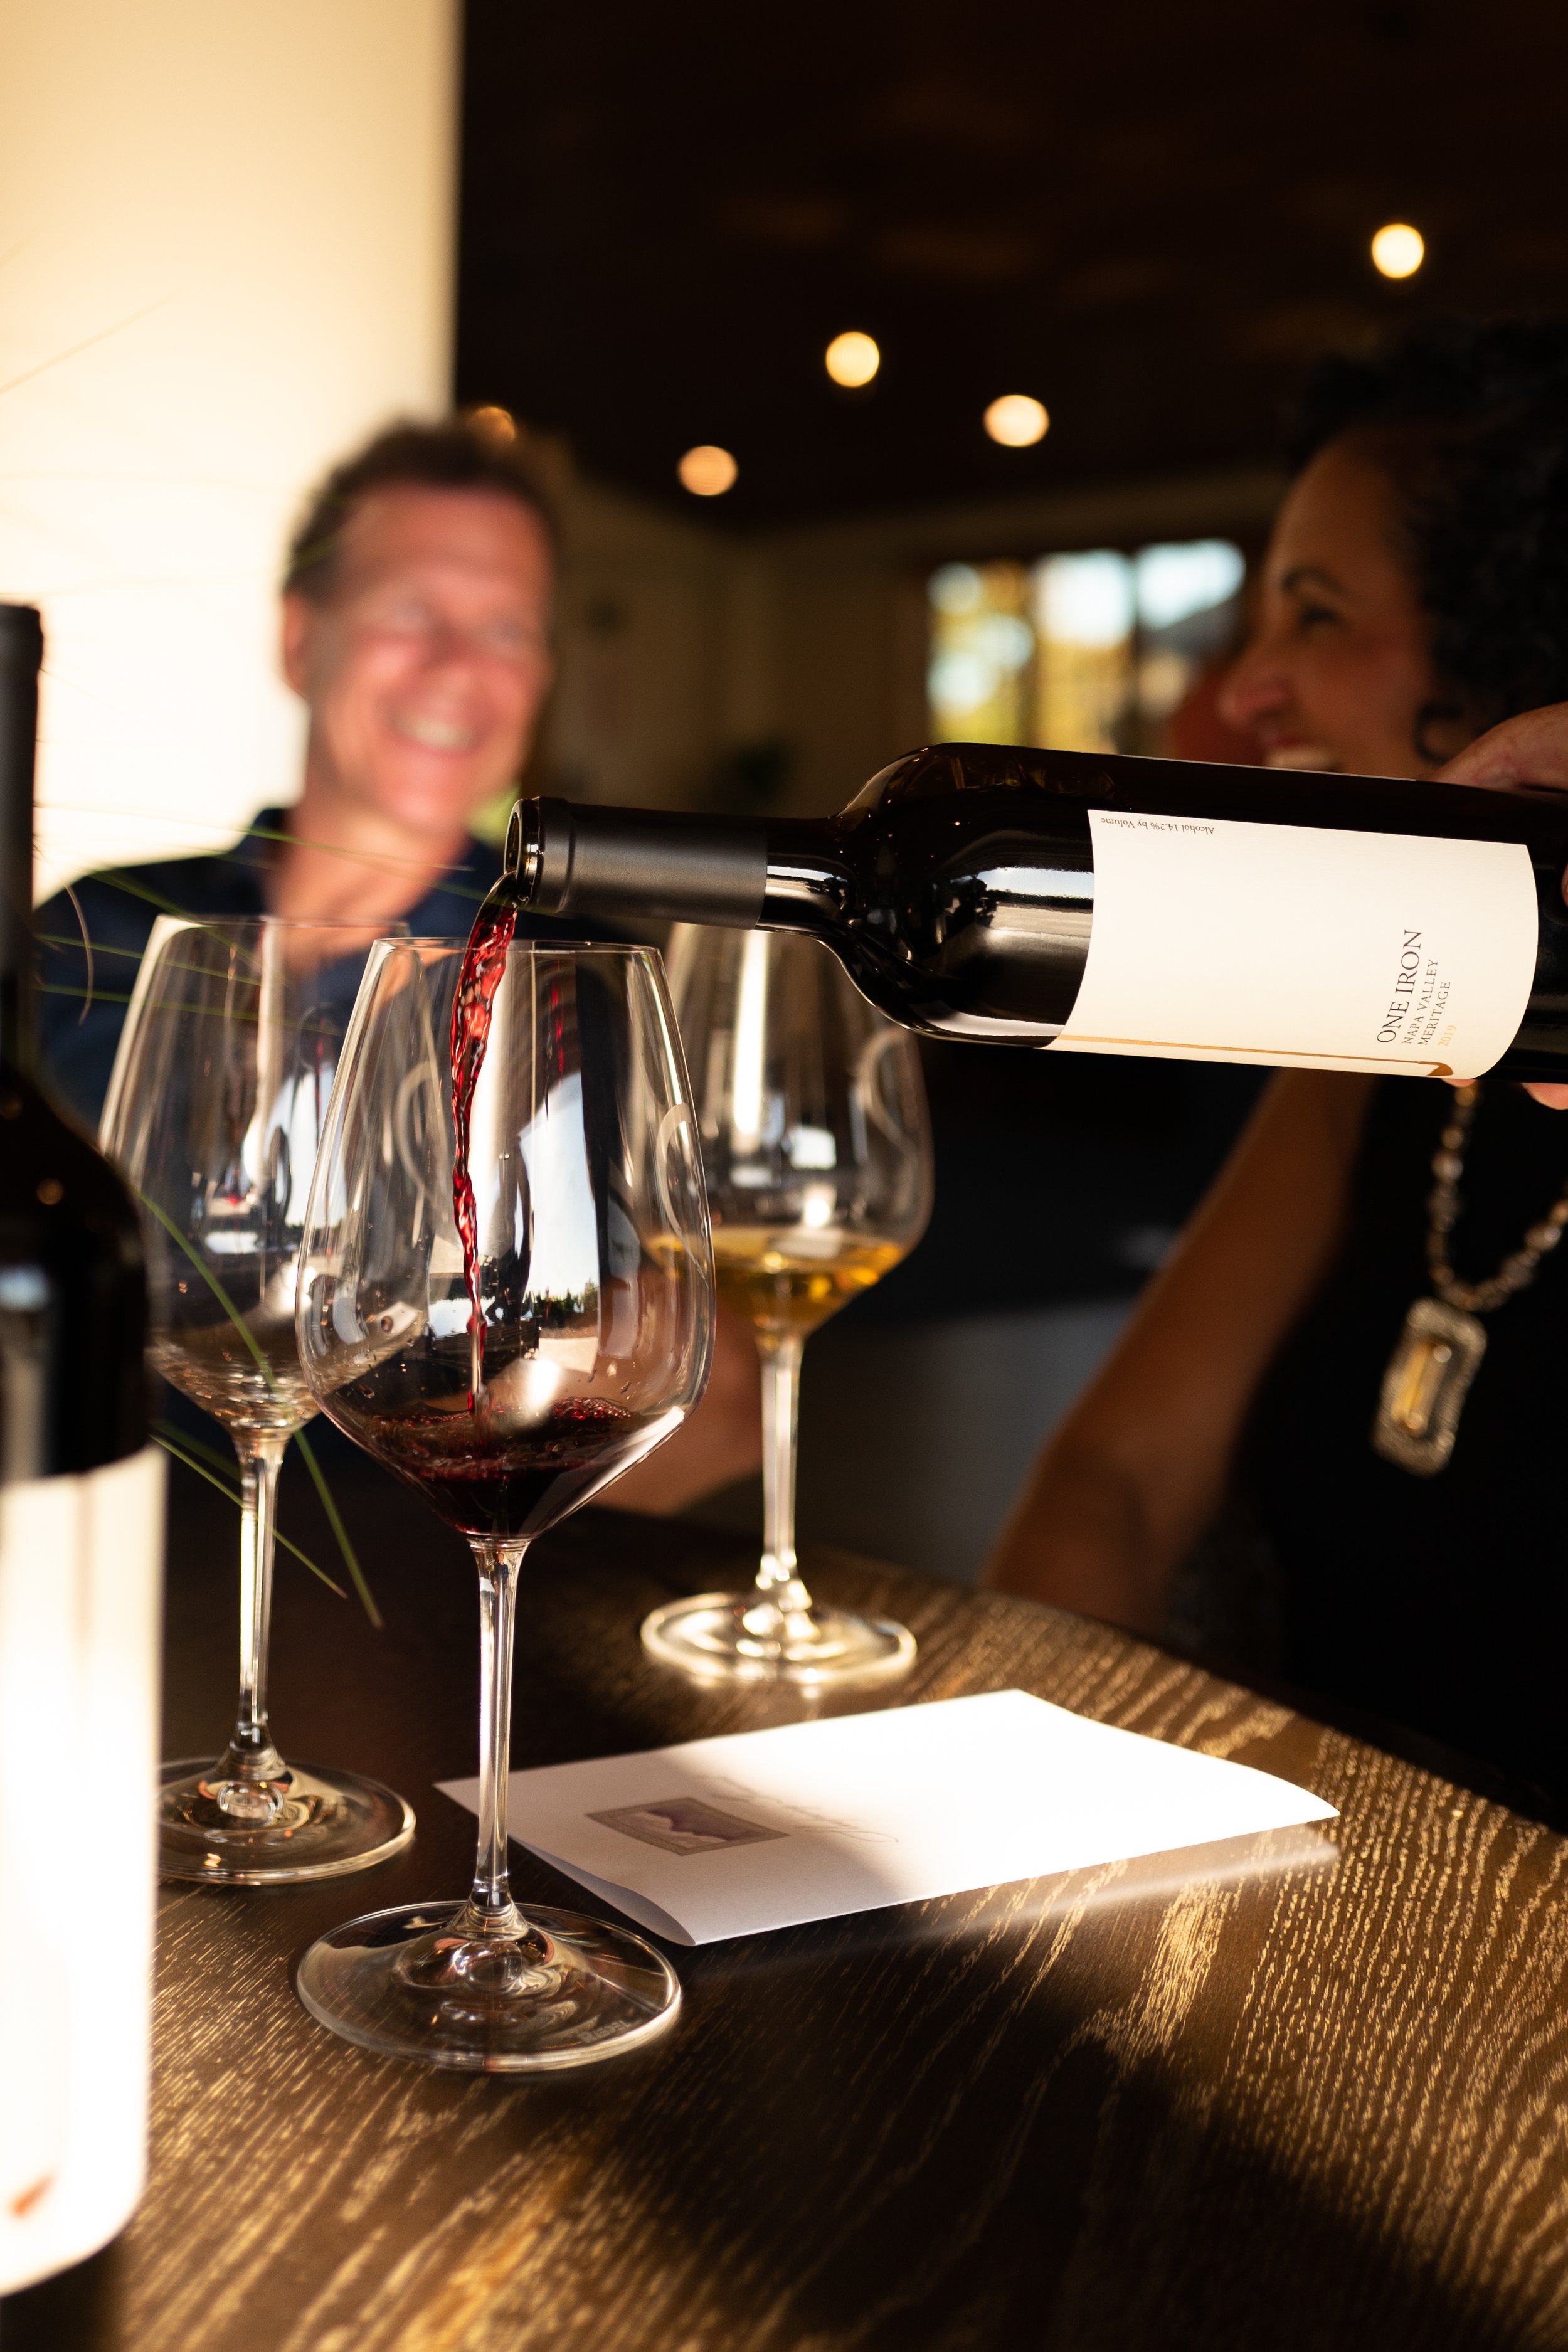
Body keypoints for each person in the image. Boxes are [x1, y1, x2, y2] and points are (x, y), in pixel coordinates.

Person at [983, 319, 1568, 1812]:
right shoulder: (1365, 1065)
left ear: (1500, 646)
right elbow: (1109, 1489)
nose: (1243, 691)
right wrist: (995, 1822)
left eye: (1312, 615)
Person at [36, 413, 760, 1510]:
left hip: (393, 1596)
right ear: (300, 638)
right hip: (70, 1551)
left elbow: (680, 1384)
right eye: (412, 611)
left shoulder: (560, 984)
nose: (460, 668)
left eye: (508, 630)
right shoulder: (96, 929)